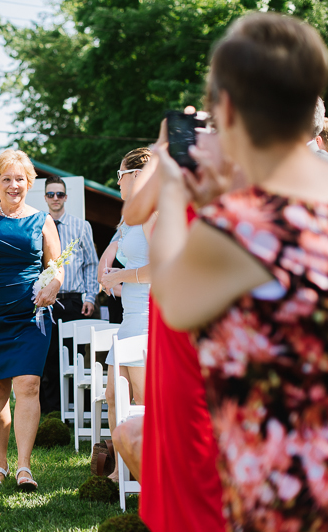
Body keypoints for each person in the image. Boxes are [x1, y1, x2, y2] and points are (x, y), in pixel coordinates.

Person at [150, 13, 328, 528]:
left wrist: (173, 190)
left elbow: (174, 297)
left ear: (226, 106)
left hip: (288, 499)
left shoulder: (243, 226)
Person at [118, 118, 227, 531]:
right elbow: (132, 210)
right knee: (161, 433)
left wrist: (162, 151)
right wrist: (162, 154)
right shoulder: (176, 188)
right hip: (174, 321)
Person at [0, 149, 62, 492]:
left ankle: (24, 466)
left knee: (28, 385)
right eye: (7, 179)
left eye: (20, 179)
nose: (14, 185)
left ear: (29, 183)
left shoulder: (42, 220)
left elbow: (56, 265)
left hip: (30, 313)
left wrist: (53, 286)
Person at [99, 148, 154, 469]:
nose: (117, 182)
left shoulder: (153, 213)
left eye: (120, 175)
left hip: (149, 317)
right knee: (113, 395)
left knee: (144, 401)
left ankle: (151, 474)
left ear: (135, 175)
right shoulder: (131, 214)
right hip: (129, 317)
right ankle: (121, 471)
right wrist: (109, 274)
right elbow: (118, 251)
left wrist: (120, 275)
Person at [39, 175, 99, 414]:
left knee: (76, 359)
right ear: (45, 197)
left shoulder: (81, 226)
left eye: (60, 194)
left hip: (74, 301)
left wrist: (90, 297)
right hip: (47, 302)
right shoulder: (37, 225)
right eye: (51, 194)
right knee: (49, 358)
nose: (55, 198)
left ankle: (78, 411)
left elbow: (91, 264)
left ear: (66, 196)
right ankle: (51, 412)